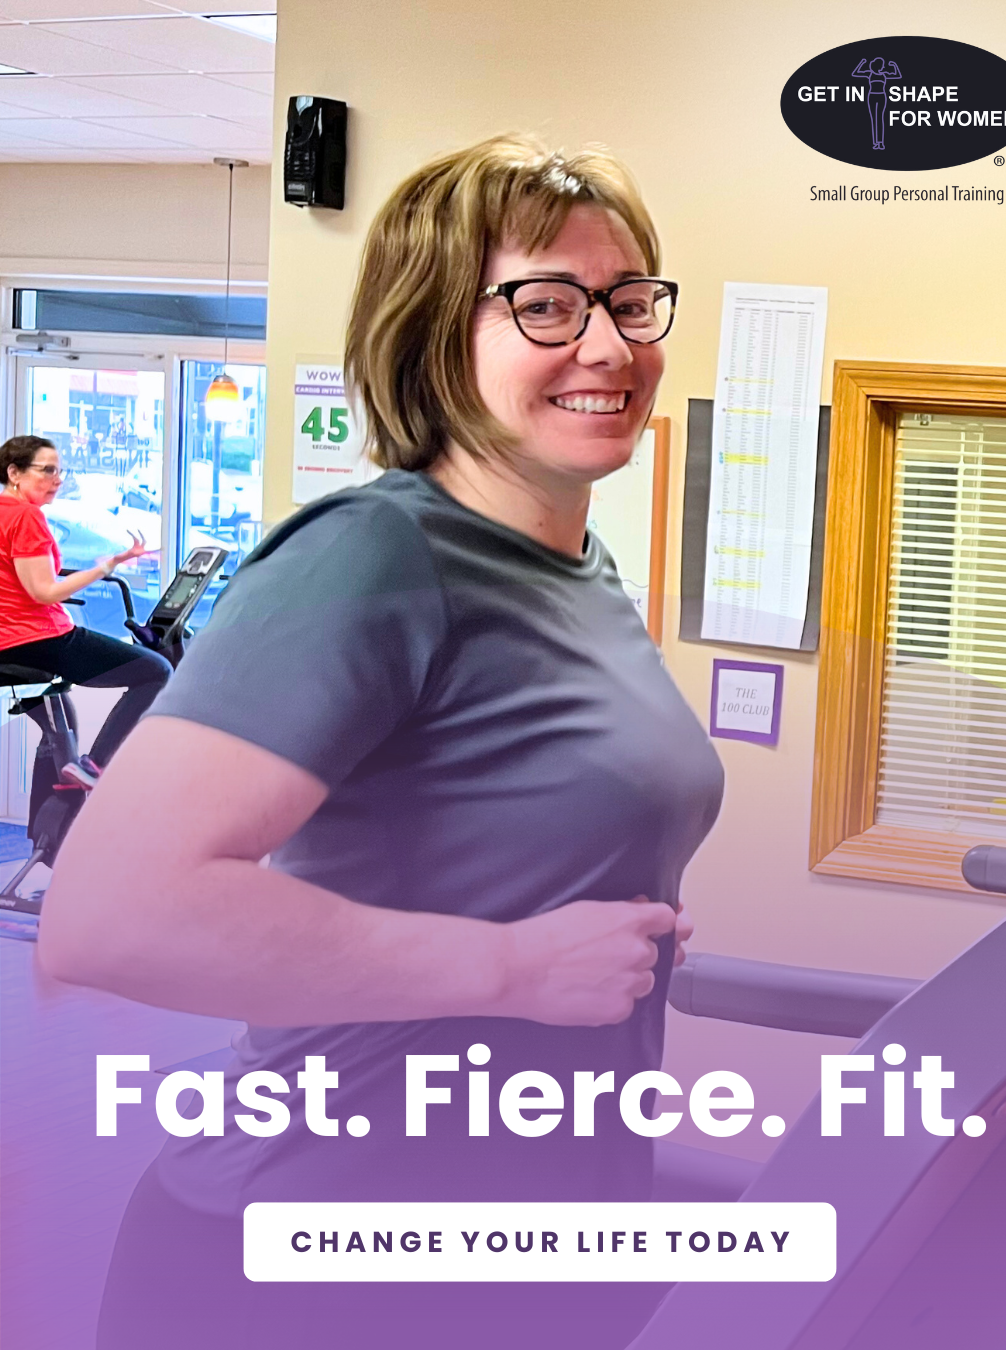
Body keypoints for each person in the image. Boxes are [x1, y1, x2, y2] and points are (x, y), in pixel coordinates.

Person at [39, 135, 725, 1350]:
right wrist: (510, 967)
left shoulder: (580, 567)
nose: (611, 345)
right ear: (435, 334)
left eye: (629, 300)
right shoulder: (377, 553)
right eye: (548, 305)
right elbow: (110, 916)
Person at [0, 435, 171, 787]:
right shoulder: (27, 517)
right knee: (156, 670)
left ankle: (63, 789)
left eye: (59, 472)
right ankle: (94, 765)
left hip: (10, 640)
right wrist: (106, 567)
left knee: (61, 724)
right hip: (38, 637)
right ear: (14, 473)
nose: (57, 480)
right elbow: (43, 592)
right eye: (47, 471)